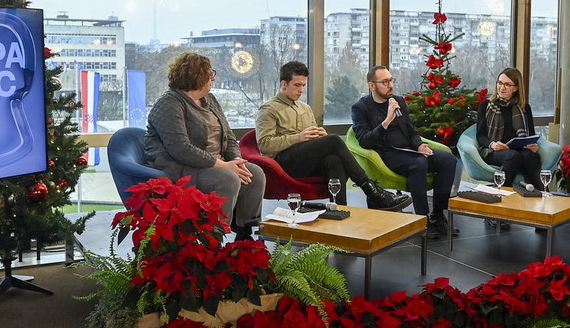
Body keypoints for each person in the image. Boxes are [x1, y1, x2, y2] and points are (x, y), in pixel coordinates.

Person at [256, 60, 411, 211]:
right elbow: (264, 144)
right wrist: (299, 137)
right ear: (284, 84)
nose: (301, 90)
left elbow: (312, 137)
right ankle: (370, 189)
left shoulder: (305, 107)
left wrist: (319, 136)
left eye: (303, 85)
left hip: (305, 159)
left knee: (334, 159)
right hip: (282, 164)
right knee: (334, 140)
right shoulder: (269, 109)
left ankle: (338, 209)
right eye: (297, 85)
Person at [144, 52, 265, 238]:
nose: (213, 78)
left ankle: (245, 234)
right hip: (184, 167)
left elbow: (229, 137)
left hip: (217, 163)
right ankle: (214, 238)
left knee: (255, 173)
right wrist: (225, 165)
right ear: (195, 76)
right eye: (210, 74)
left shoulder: (211, 100)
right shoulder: (168, 104)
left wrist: (236, 160)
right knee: (228, 178)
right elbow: (181, 149)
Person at [350, 65, 459, 238]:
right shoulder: (360, 108)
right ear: (372, 85)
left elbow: (411, 131)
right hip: (388, 154)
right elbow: (364, 141)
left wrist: (419, 146)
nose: (390, 85)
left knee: (448, 160)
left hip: (410, 151)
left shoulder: (398, 101)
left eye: (391, 80)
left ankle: (438, 215)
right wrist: (386, 121)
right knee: (419, 163)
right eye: (384, 82)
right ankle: (422, 220)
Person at [475, 67, 543, 190]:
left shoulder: (524, 107)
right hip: (494, 151)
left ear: (515, 88)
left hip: (519, 150)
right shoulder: (486, 105)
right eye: (500, 83)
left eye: (507, 84)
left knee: (529, 157)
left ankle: (539, 193)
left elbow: (531, 135)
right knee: (513, 156)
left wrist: (533, 146)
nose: (502, 87)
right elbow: (480, 135)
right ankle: (500, 192)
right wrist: (492, 144)